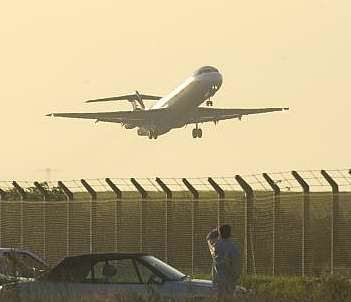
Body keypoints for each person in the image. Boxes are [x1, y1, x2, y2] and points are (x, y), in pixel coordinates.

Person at [206, 224, 241, 299]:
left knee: (219, 297)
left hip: (217, 279)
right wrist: (236, 275)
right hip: (230, 278)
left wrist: (216, 230)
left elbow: (208, 237)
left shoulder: (215, 246)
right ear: (230, 233)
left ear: (220, 233)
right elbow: (236, 263)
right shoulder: (234, 246)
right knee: (229, 297)